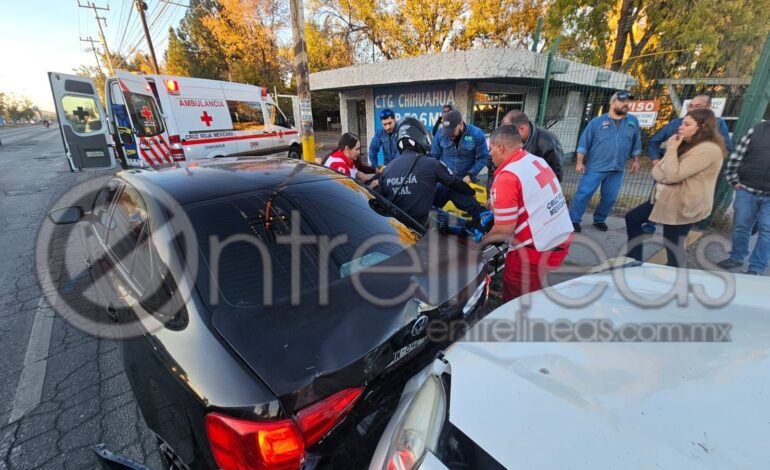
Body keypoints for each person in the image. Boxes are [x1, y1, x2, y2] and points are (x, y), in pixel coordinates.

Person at [625, 109, 726, 268]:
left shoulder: (707, 149)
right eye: (682, 123)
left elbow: (672, 175)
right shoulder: (686, 144)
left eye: (687, 124)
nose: (680, 127)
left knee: (673, 243)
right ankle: (634, 260)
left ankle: (676, 275)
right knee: (633, 218)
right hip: (667, 197)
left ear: (702, 127)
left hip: (684, 203)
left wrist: (671, 150)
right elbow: (657, 171)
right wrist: (667, 174)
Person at [482, 125, 573, 301]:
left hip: (534, 251)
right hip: (559, 235)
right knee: (533, 289)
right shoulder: (535, 160)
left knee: (517, 299)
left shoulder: (507, 178)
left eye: (491, 149)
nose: (490, 154)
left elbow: (503, 232)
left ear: (500, 148)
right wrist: (496, 203)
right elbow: (530, 196)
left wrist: (479, 245)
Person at [642, 94, 734, 233]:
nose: (692, 109)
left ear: (708, 107)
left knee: (674, 231)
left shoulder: (717, 126)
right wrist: (656, 160)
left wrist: (701, 162)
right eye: (690, 105)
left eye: (698, 106)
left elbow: (726, 148)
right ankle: (650, 225)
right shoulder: (676, 123)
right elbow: (655, 142)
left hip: (688, 183)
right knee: (651, 203)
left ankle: (678, 229)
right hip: (669, 170)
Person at [569, 90, 642, 232]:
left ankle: (599, 219)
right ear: (612, 103)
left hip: (617, 168)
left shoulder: (632, 122)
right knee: (583, 194)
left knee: (610, 198)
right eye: (622, 101)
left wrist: (636, 160)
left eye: (628, 101)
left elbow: (636, 142)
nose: (626, 104)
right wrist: (579, 162)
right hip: (596, 167)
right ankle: (574, 220)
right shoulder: (597, 122)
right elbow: (584, 143)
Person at [378, 117, 475, 225]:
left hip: (395, 228)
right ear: (421, 137)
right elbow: (455, 184)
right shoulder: (431, 163)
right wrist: (472, 192)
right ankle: (481, 217)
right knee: (447, 187)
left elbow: (380, 202)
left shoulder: (387, 170)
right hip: (422, 227)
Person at [717, 120, 770, 275]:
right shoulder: (758, 128)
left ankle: (756, 267)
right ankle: (736, 257)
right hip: (747, 190)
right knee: (741, 225)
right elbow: (737, 155)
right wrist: (733, 179)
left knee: (767, 230)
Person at [430, 110, 488, 221]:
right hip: (444, 180)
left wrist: (470, 174)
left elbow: (483, 157)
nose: (449, 135)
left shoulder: (476, 134)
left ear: (461, 124)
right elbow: (434, 157)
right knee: (431, 208)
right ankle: (432, 229)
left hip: (464, 182)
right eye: (447, 132)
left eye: (452, 131)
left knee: (475, 210)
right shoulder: (440, 134)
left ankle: (478, 227)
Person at [501, 110, 563, 181]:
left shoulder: (549, 143)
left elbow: (556, 177)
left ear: (522, 128)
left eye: (509, 132)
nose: (507, 136)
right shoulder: (509, 139)